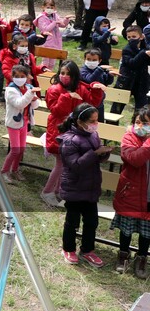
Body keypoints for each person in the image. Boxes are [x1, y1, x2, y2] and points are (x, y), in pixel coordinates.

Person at [43, 60, 106, 208]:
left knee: (66, 165)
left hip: (74, 133)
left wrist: (96, 90)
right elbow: (56, 110)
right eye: (62, 73)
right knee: (60, 164)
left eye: (68, 74)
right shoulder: (54, 89)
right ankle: (47, 192)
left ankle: (58, 191)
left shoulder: (81, 88)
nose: (64, 76)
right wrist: (67, 96)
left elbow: (91, 104)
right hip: (58, 130)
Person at [57, 103, 110, 268]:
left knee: (92, 222)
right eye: (92, 121)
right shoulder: (69, 140)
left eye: (97, 120)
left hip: (91, 187)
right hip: (74, 187)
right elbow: (76, 165)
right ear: (80, 121)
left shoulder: (93, 135)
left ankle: (87, 250)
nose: (95, 124)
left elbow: (96, 158)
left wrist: (103, 153)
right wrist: (94, 154)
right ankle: (68, 248)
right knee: (72, 221)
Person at [113, 107, 150, 278]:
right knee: (126, 228)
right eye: (138, 122)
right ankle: (123, 254)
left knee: (146, 230)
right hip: (131, 191)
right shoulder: (129, 137)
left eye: (146, 123)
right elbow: (135, 160)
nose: (141, 126)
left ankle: (142, 257)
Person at [2, 64, 40, 183]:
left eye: (22, 76)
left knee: (21, 149)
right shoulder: (10, 90)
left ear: (27, 77)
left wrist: (33, 99)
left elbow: (35, 105)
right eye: (16, 76)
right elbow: (19, 104)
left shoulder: (28, 87)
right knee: (15, 150)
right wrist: (30, 94)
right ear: (12, 77)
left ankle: (15, 169)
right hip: (13, 123)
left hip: (24, 122)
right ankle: (4, 171)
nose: (19, 78)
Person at [34, 0, 72, 70]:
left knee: (52, 63)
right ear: (43, 7)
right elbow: (45, 29)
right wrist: (54, 23)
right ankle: (41, 74)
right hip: (46, 42)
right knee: (45, 63)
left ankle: (48, 77)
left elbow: (62, 24)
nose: (50, 9)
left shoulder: (55, 15)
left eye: (52, 7)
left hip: (55, 43)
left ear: (54, 8)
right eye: (48, 7)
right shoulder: (41, 17)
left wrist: (66, 19)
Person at [120, 25, 150, 111]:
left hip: (141, 82)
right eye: (129, 37)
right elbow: (132, 63)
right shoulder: (127, 50)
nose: (131, 39)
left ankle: (137, 123)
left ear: (141, 37)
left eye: (134, 36)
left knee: (141, 108)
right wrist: (143, 54)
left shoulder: (144, 48)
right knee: (118, 106)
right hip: (127, 81)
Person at [80, 48, 114, 120]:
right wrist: (100, 69)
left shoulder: (99, 70)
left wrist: (110, 76)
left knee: (100, 123)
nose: (91, 62)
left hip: (99, 103)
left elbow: (107, 82)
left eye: (94, 60)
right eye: (88, 59)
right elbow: (89, 79)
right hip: (86, 104)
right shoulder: (83, 71)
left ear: (100, 61)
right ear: (84, 59)